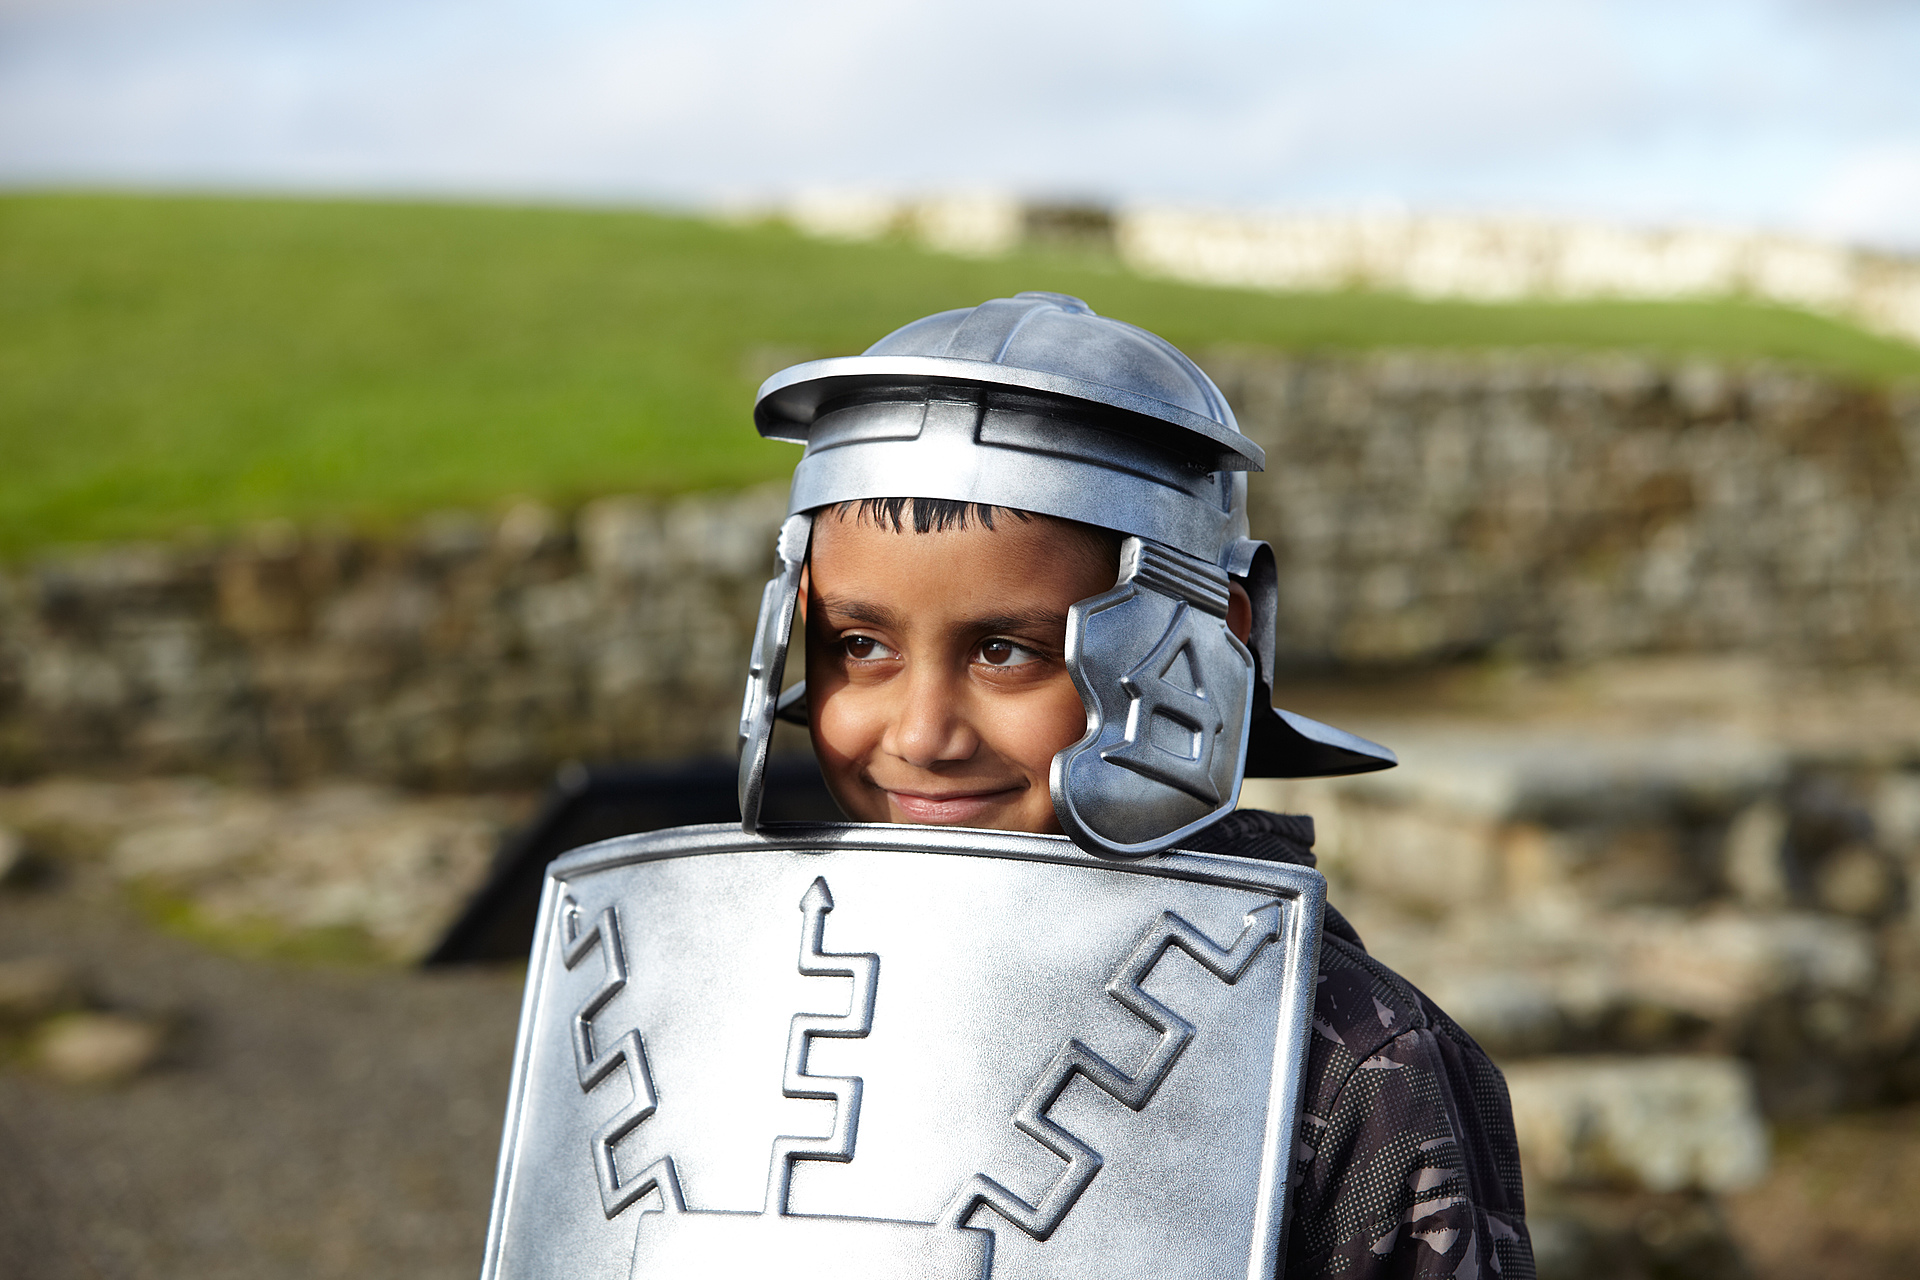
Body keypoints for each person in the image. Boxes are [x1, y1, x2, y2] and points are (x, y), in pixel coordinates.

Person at [759, 294, 1535, 1278]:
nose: (921, 735)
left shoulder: (1347, 1063)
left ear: (1202, 646)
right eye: (861, 645)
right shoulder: (761, 977)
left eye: (1005, 651)